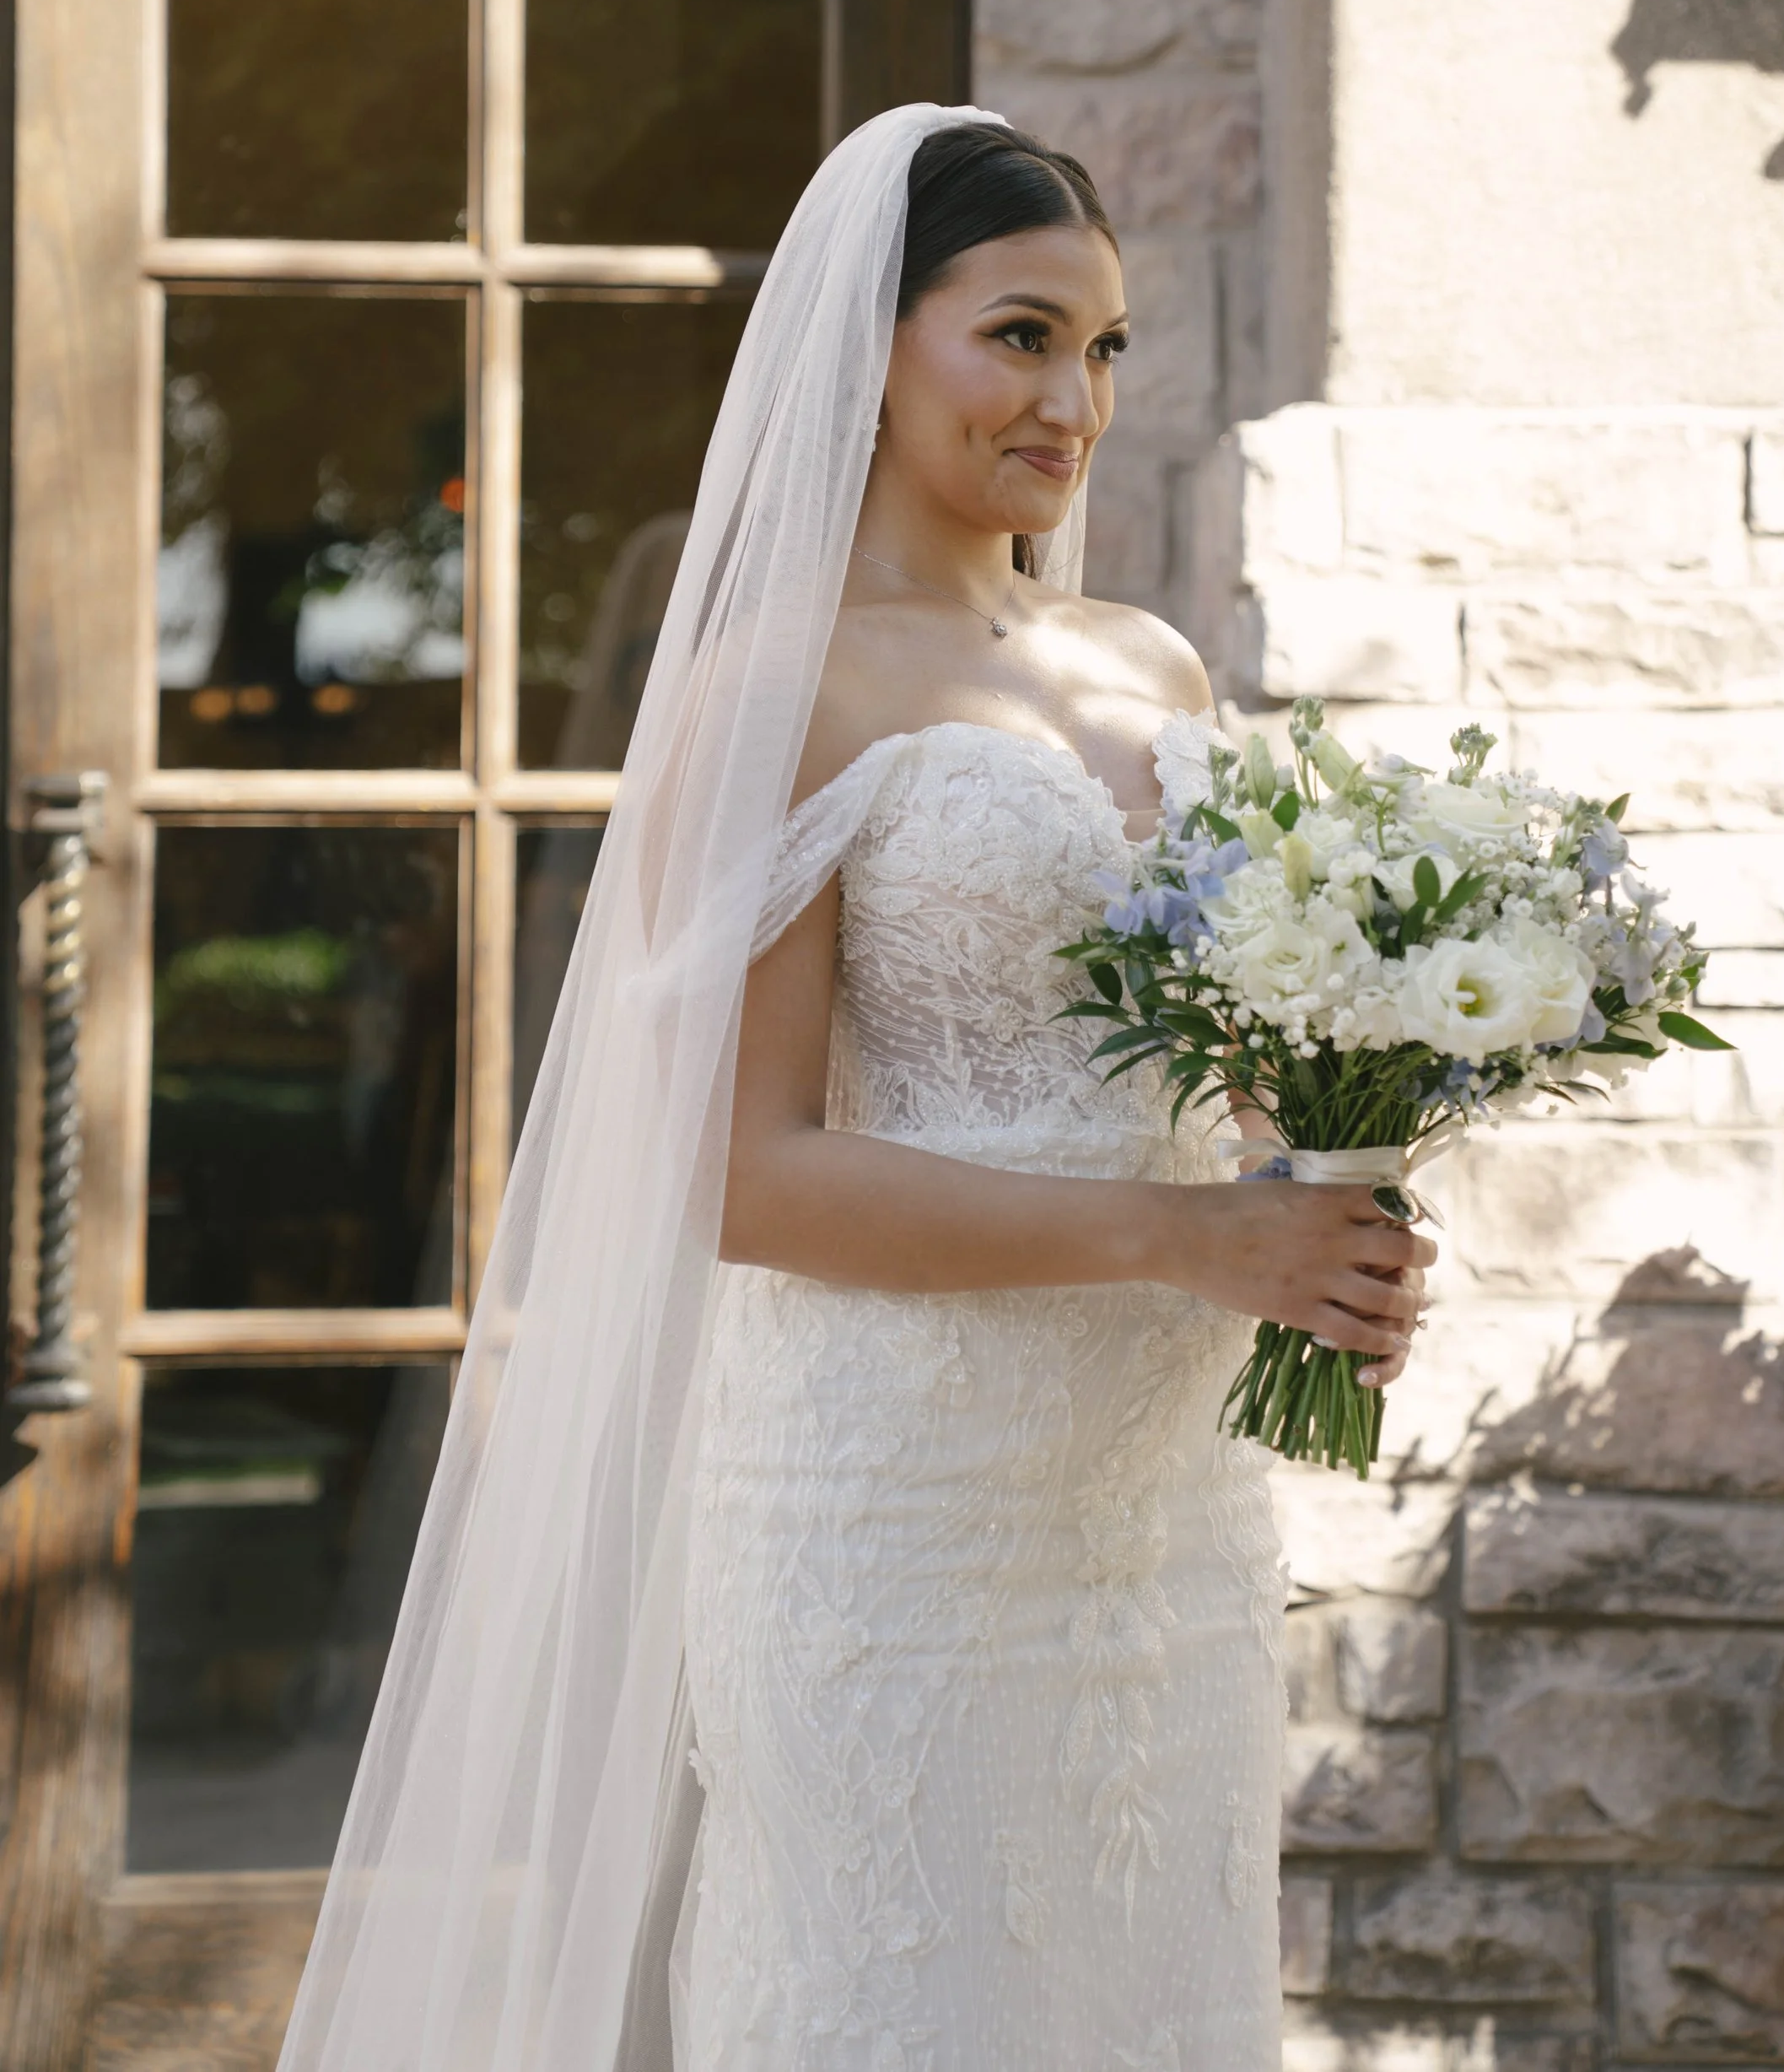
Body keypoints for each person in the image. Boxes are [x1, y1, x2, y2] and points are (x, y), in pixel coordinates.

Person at [278, 104, 1432, 2072]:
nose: (1072, 399)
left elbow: (1226, 1074)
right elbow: (739, 1178)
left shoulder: (1155, 670)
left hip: (1163, 1514)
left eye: (1103, 347)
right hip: (890, 1519)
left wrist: (1322, 1205)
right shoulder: (773, 688)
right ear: (867, 347)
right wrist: (1188, 1236)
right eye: (1017, 336)